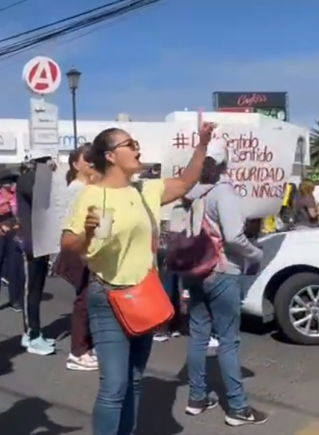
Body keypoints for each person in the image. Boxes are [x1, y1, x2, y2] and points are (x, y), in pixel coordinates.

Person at [61, 122, 215, 435]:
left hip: (143, 295)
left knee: (133, 380)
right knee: (114, 386)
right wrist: (88, 232)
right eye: (129, 144)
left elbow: (186, 182)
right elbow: (68, 245)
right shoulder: (91, 195)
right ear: (110, 156)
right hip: (108, 297)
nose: (137, 148)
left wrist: (202, 143)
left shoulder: (145, 190)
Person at [181, 139, 268, 426]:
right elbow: (233, 237)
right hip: (222, 270)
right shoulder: (224, 194)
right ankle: (238, 408)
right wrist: (256, 253)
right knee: (228, 341)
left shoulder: (192, 192)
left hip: (195, 271)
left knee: (197, 335)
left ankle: (196, 398)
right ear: (223, 165)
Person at [54, 144, 99, 370]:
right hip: (77, 248)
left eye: (94, 158)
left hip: (85, 247)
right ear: (75, 164)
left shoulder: (87, 187)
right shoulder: (77, 188)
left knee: (88, 297)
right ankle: (78, 351)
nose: (91, 162)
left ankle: (86, 346)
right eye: (87, 158)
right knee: (84, 298)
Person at [15, 152, 56, 355]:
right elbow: (44, 200)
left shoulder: (40, 180)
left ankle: (35, 331)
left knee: (37, 290)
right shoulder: (29, 180)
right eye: (49, 161)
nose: (53, 164)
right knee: (30, 291)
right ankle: (30, 334)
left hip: (41, 241)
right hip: (30, 242)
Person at [0, 170, 24, 313]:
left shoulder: (18, 197)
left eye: (14, 182)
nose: (13, 185)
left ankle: (16, 300)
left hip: (14, 233)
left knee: (15, 267)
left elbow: (22, 215)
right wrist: (0, 209)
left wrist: (13, 209)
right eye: (10, 182)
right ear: (2, 184)